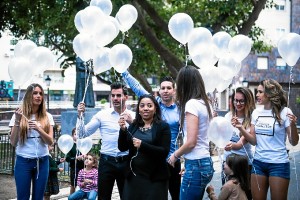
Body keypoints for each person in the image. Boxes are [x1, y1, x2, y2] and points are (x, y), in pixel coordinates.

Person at [235, 79, 299, 200]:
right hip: (258, 163)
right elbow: (254, 141)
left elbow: (293, 141)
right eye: (257, 92)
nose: (257, 95)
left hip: (278, 164)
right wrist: (241, 129)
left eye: (260, 92)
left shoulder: (285, 112)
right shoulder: (256, 112)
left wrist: (293, 125)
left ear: (269, 93)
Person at [122, 71, 181, 200]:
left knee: (176, 195)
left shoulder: (179, 110)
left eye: (169, 88)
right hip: (151, 160)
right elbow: (137, 88)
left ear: (174, 91)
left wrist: (179, 156)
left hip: (172, 158)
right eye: (163, 88)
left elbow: (187, 134)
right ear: (159, 91)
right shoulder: (152, 104)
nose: (165, 91)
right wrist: (124, 72)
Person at [77, 82, 135, 200]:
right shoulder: (102, 115)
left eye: (118, 95)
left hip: (126, 161)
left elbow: (142, 136)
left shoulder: (133, 116)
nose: (115, 98)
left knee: (128, 197)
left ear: (126, 97)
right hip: (107, 162)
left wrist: (132, 122)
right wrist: (80, 116)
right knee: (103, 197)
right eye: (112, 95)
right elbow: (82, 134)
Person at [168, 65, 214, 199]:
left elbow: (191, 142)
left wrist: (174, 156)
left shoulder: (191, 104)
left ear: (185, 84)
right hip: (203, 162)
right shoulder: (205, 103)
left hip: (197, 165)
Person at [118, 94, 171, 199]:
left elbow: (164, 152)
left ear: (155, 108)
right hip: (134, 177)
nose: (145, 108)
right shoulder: (133, 126)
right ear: (138, 109)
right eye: (142, 106)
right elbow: (122, 147)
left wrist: (142, 145)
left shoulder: (163, 127)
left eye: (149, 105)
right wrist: (123, 130)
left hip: (155, 178)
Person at [9, 83, 54, 200]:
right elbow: (13, 142)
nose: (38, 96)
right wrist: (18, 121)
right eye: (35, 93)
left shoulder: (47, 116)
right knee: (22, 197)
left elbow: (50, 142)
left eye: (40, 93)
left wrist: (39, 129)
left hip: (42, 162)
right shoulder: (18, 116)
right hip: (23, 162)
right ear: (29, 95)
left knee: (38, 197)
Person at [223, 87, 255, 199]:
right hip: (228, 163)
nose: (238, 103)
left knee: (245, 196)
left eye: (241, 100)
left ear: (248, 101)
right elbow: (222, 136)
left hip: (243, 165)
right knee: (227, 195)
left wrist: (231, 145)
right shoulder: (228, 116)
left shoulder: (251, 119)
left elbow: (240, 144)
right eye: (235, 100)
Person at [66, 127, 85, 195]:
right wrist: (76, 158)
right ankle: (71, 197)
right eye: (75, 134)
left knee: (83, 185)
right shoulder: (71, 145)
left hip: (83, 168)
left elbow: (88, 154)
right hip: (74, 168)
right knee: (73, 185)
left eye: (79, 134)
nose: (77, 136)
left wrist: (85, 157)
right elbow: (67, 158)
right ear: (72, 136)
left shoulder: (83, 145)